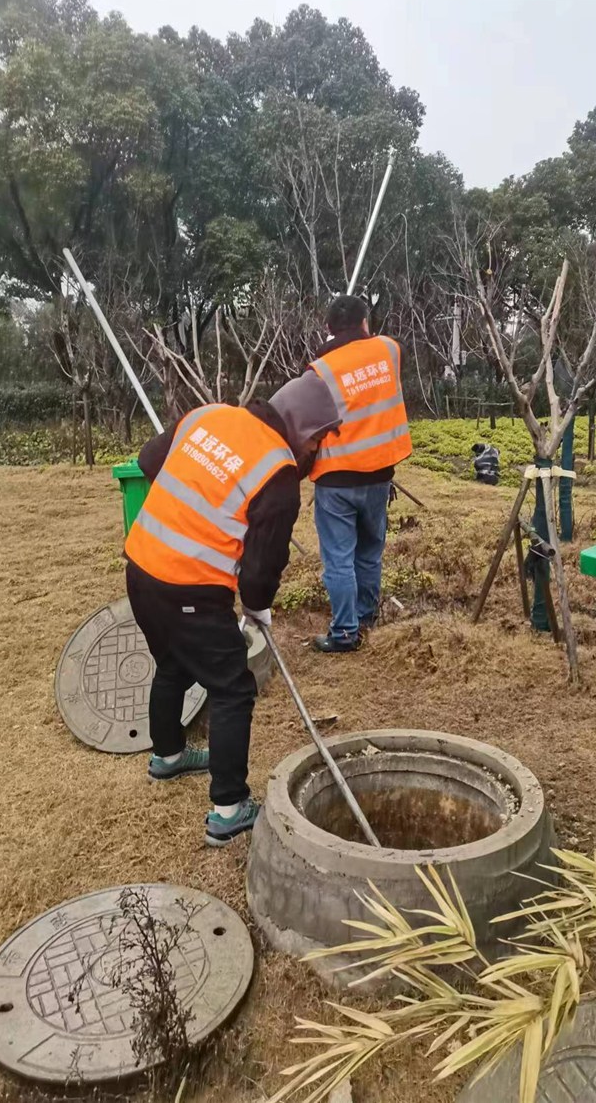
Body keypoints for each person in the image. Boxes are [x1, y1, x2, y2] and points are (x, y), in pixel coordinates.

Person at [124, 374, 340, 847]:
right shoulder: (278, 471)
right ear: (303, 430)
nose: (317, 453)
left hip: (141, 566)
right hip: (189, 588)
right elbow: (262, 565)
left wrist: (198, 506)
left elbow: (148, 459)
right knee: (232, 687)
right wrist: (258, 609)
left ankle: (168, 756)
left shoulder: (211, 414)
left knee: (174, 664)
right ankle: (228, 809)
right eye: (319, 440)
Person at [308, 294, 412, 653]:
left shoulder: (320, 369)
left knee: (339, 558)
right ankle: (366, 617)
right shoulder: (389, 350)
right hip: (380, 475)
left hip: (336, 478)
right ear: (366, 322)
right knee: (369, 553)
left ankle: (345, 633)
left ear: (328, 328)